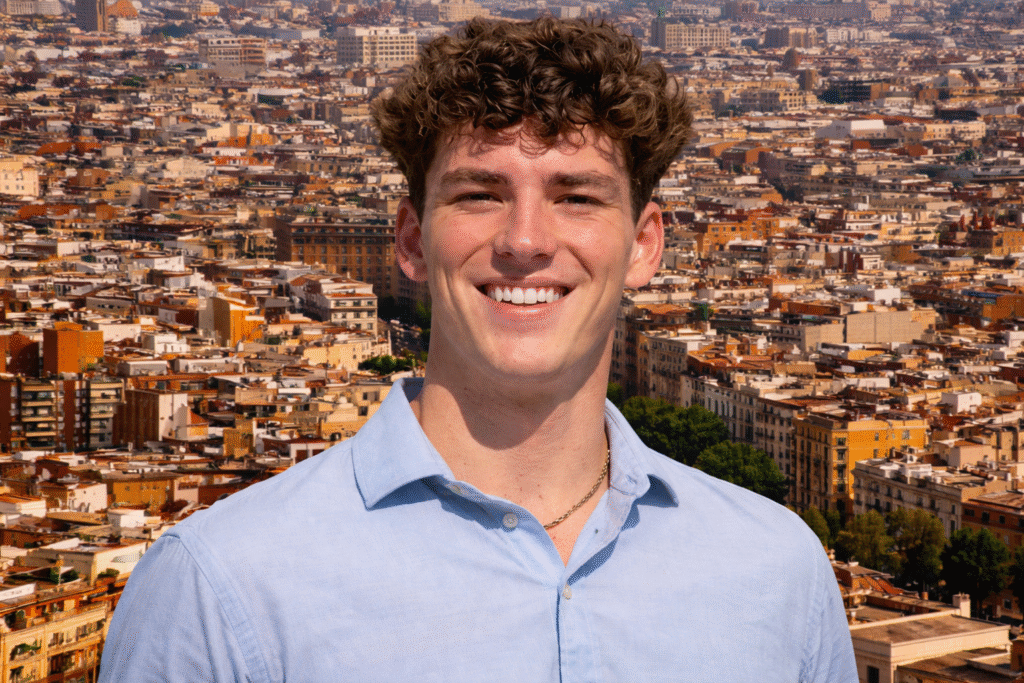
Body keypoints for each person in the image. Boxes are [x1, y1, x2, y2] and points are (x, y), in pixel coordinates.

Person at [99, 18, 858, 682]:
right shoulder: (218, 588)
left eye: (577, 196)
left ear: (644, 245)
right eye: (479, 194)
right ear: (410, 239)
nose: (525, 241)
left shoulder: (780, 576)